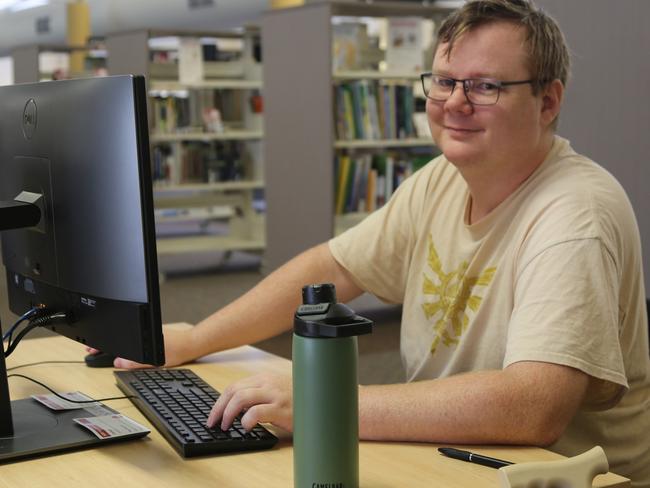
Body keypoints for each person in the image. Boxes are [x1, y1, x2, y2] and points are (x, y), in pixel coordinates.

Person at [115, 0, 650, 484]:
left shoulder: (576, 213)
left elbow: (534, 406)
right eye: (443, 81)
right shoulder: (440, 178)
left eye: (486, 86)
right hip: (454, 456)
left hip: (555, 476)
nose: (455, 104)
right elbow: (332, 269)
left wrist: (325, 404)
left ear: (548, 101)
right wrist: (195, 339)